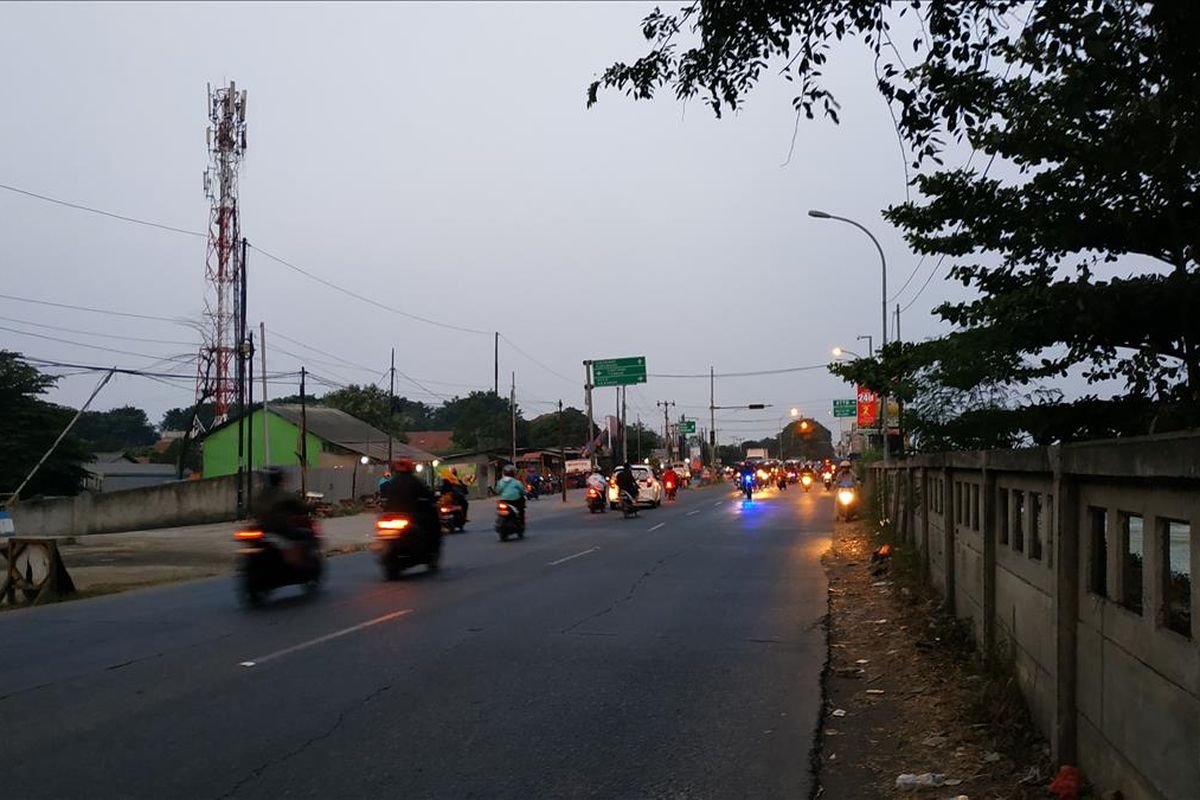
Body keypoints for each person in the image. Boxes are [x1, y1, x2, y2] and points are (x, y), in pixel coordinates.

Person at [252, 468, 314, 569]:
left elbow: (254, 510)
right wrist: (310, 507)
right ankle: (302, 563)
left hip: (263, 529)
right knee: (307, 534)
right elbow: (301, 507)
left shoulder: (261, 496)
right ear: (280, 479)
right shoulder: (284, 495)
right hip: (281, 529)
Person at [381, 458, 440, 553]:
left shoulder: (392, 482)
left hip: (393, 514)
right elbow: (426, 494)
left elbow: (385, 497)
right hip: (411, 514)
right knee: (432, 523)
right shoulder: (414, 481)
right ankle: (429, 549)